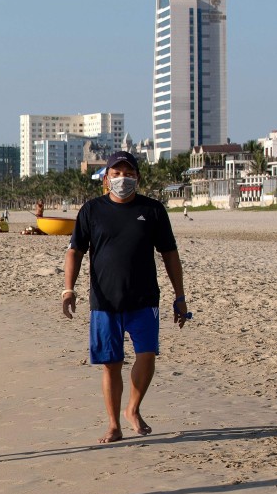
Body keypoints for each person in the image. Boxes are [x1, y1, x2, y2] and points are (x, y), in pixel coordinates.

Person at [62, 151, 190, 444]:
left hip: (145, 299)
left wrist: (179, 296)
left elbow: (169, 254)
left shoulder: (154, 210)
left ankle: (133, 409)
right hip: (105, 302)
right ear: (106, 179)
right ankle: (113, 424)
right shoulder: (91, 211)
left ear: (138, 178)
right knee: (111, 363)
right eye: (116, 174)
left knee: (147, 355)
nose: (123, 179)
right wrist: (68, 289)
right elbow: (75, 252)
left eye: (128, 173)